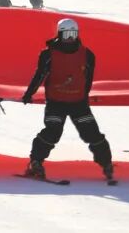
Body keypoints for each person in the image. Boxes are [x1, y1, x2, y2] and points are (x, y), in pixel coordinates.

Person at [21, 18, 113, 182]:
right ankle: (35, 162)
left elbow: (88, 79)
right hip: (56, 102)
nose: (70, 38)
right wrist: (29, 93)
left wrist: (83, 96)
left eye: (73, 34)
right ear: (59, 34)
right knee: (52, 132)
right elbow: (39, 75)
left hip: (78, 103)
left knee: (92, 133)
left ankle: (106, 163)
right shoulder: (48, 55)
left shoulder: (87, 55)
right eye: (66, 35)